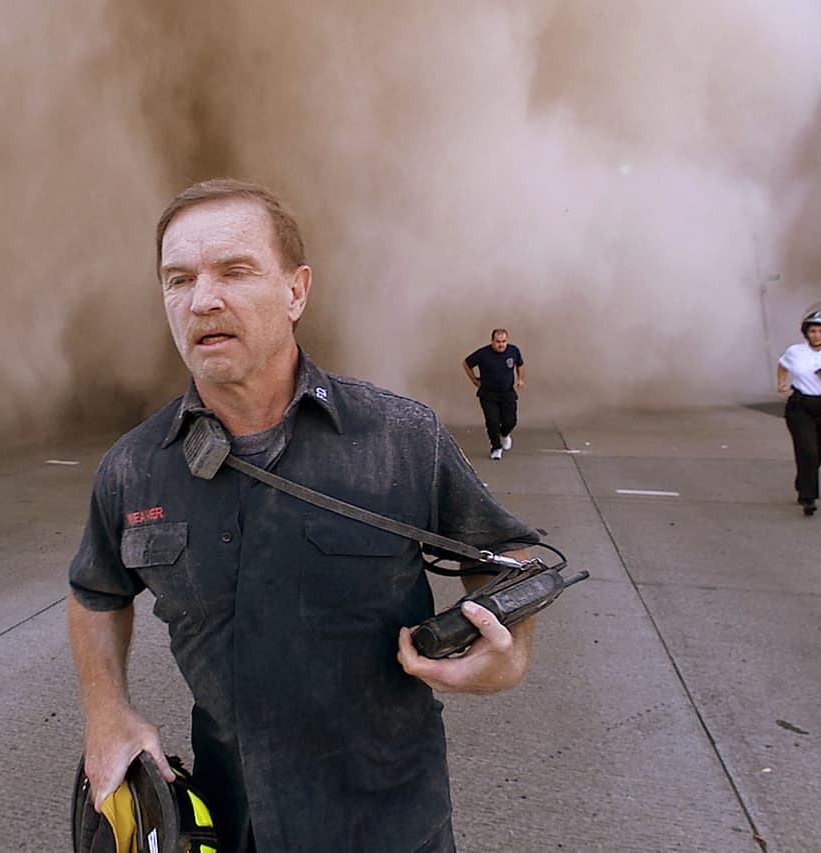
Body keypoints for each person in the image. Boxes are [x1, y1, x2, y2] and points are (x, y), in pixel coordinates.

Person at [67, 178, 542, 852]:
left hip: (391, 827)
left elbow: (505, 557)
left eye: (235, 271)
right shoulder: (133, 468)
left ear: (297, 291)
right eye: (179, 279)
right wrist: (105, 711)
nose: (203, 300)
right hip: (234, 825)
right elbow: (95, 591)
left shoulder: (399, 438)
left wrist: (508, 655)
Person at [776, 309, 821, 516]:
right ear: (806, 332)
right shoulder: (795, 351)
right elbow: (782, 365)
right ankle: (809, 497)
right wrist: (781, 384)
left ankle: (803, 480)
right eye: (812, 331)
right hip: (801, 406)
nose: (816, 335)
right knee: (807, 449)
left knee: (816, 452)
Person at [462, 329, 525, 460]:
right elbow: (466, 363)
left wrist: (520, 379)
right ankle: (496, 447)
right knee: (492, 422)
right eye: (498, 342)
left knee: (511, 421)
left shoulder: (513, 351)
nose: (501, 345)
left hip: (507, 392)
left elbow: (520, 364)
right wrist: (474, 380)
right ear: (492, 341)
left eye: (504, 341)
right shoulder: (483, 354)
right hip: (488, 394)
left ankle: (505, 434)